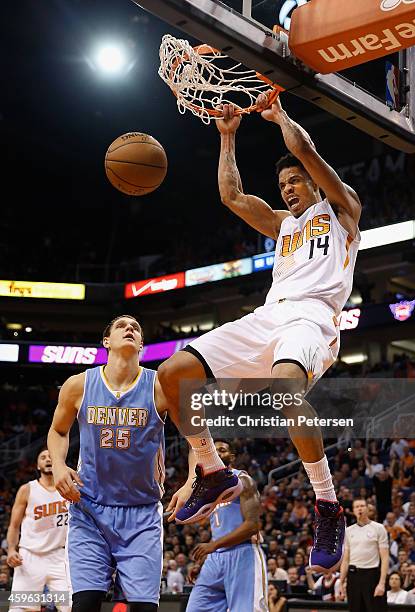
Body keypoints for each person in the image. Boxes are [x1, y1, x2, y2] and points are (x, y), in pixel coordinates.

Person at [160, 94, 361, 574]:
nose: (288, 188)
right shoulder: (281, 224)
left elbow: (307, 150)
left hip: (312, 319)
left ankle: (327, 505)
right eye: (283, 183)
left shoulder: (342, 211)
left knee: (284, 393)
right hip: (267, 316)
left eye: (295, 180)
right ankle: (210, 470)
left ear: (313, 182)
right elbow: (231, 195)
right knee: (172, 374)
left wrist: (279, 116)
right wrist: (226, 135)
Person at [48, 314, 180, 612]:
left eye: (135, 327)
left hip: (142, 513)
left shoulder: (160, 385)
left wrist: (192, 481)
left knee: (144, 608)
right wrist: (58, 463)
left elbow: (195, 433)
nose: (129, 328)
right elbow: (58, 431)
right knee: (85, 603)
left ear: (142, 344)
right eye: (122, 326)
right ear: (106, 341)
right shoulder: (78, 385)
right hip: (90, 509)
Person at [185, 440, 268, 611]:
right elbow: (219, 529)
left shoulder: (243, 480)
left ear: (232, 457)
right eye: (214, 451)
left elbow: (252, 526)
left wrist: (213, 546)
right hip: (216, 558)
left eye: (222, 450)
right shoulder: (206, 487)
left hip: (244, 554)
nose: (217, 454)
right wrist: (202, 562)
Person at [6, 448, 71, 612]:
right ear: (37, 465)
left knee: (70, 606)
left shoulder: (70, 488)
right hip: (30, 557)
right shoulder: (27, 489)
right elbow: (14, 525)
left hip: (60, 556)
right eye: (43, 457)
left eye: (51, 456)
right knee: (21, 609)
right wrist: (12, 550)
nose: (48, 459)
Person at [339, 499, 389, 612]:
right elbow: (346, 559)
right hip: (353, 576)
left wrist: (382, 583)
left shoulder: (379, 528)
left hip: (372, 575)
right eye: (356, 507)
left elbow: (385, 558)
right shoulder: (348, 531)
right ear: (353, 510)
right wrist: (341, 582)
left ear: (367, 508)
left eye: (362, 506)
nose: (359, 508)